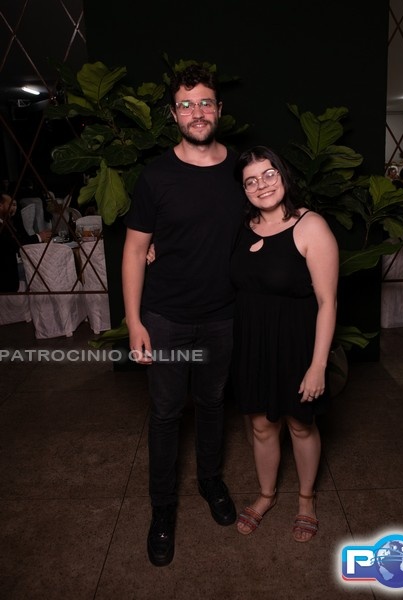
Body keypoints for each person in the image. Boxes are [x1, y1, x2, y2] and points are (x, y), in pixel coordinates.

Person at [121, 64, 245, 567]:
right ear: (173, 115)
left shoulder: (241, 170)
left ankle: (211, 481)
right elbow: (135, 251)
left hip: (223, 315)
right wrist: (134, 321)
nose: (197, 112)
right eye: (187, 104)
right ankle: (163, 509)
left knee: (213, 404)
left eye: (206, 102)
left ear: (219, 109)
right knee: (167, 413)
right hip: (166, 318)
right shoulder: (156, 176)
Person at [230, 146, 339, 542]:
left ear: (283, 175)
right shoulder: (241, 227)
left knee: (300, 424)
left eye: (269, 174)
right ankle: (267, 494)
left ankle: (306, 499)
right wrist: (156, 248)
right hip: (252, 344)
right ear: (244, 190)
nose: (262, 185)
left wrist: (318, 365)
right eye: (251, 181)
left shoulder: (311, 226)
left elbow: (327, 302)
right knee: (261, 425)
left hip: (296, 344)